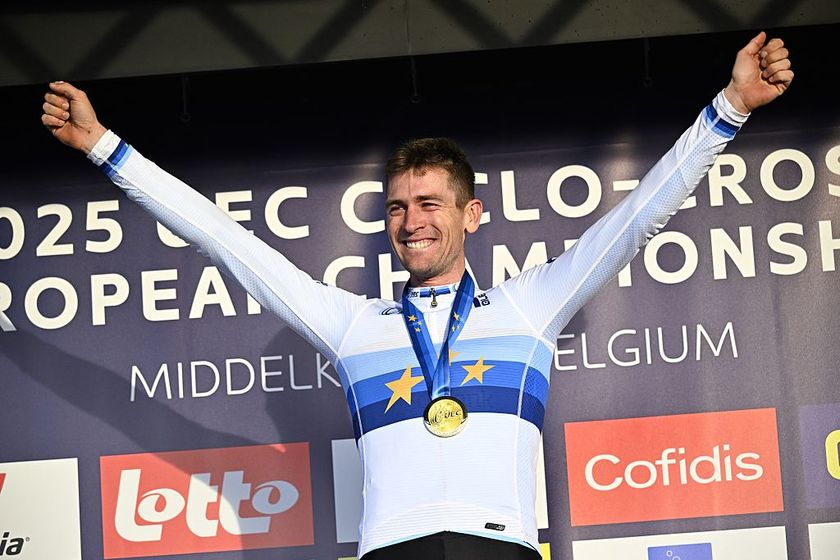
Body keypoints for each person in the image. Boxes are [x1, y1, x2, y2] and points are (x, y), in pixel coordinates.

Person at [41, 32, 792, 560]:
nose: (411, 221)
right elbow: (225, 241)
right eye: (398, 207)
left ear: (471, 214)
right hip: (389, 549)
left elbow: (637, 217)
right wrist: (106, 149)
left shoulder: (529, 307)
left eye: (430, 204)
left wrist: (728, 108)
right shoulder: (352, 323)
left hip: (500, 544)